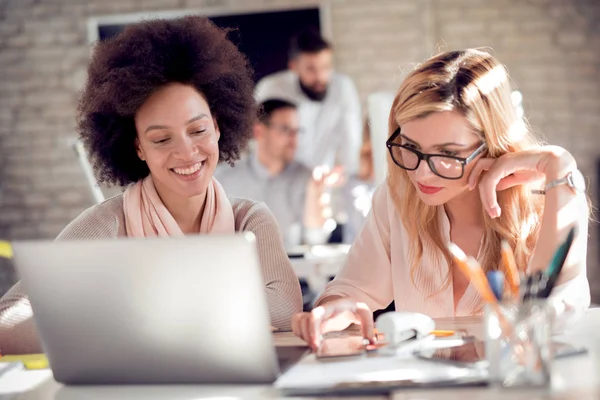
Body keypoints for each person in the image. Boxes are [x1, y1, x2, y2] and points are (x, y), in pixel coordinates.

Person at [0, 16, 302, 355]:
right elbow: (6, 321)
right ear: (138, 147)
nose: (187, 152)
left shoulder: (250, 220)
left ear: (218, 127)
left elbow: (286, 309)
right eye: (161, 139)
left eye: (198, 130)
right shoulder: (106, 224)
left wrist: (138, 315)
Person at [291, 49, 591, 348]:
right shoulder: (396, 199)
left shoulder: (550, 198)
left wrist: (559, 164)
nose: (422, 174)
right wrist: (332, 307)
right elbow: (355, 288)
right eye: (409, 146)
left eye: (448, 153)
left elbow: (545, 310)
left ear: (491, 144)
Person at [215, 99, 332, 249]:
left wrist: (316, 191)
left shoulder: (306, 177)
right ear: (259, 131)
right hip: (239, 268)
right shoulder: (224, 178)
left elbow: (316, 238)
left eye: (297, 131)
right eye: (285, 130)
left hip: (291, 268)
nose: (294, 139)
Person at [254, 28, 362, 175]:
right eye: (311, 69)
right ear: (294, 67)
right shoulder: (271, 88)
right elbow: (258, 140)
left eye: (325, 67)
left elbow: (351, 140)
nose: (320, 76)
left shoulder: (343, 88)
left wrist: (349, 173)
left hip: (322, 179)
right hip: (279, 178)